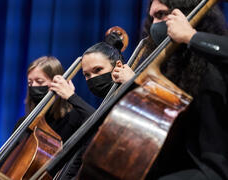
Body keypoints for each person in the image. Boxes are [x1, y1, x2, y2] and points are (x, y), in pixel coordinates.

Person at [139, 0, 228, 179]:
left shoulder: (213, 66)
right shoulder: (176, 66)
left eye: (161, 15)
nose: (155, 25)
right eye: (153, 18)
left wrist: (191, 36)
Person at [56, 32, 135, 180]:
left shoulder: (130, 103)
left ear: (118, 66)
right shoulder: (107, 104)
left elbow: (100, 124)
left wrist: (71, 97)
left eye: (98, 70)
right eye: (87, 75)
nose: (92, 78)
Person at [14, 56, 95, 143]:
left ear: (56, 83)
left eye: (40, 81)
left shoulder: (74, 118)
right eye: (30, 83)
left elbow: (97, 120)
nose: (33, 86)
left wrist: (71, 96)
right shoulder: (24, 124)